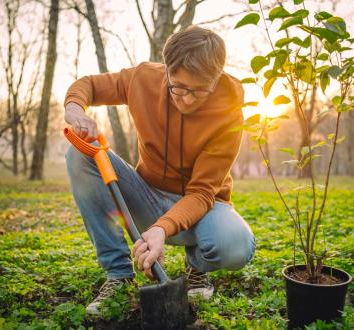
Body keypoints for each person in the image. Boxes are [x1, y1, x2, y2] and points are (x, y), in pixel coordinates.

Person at [63, 26, 256, 316]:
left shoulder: (230, 112)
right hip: (147, 195)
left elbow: (202, 192)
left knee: (235, 245)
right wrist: (75, 108)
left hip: (204, 206)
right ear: (166, 71)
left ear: (216, 78)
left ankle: (197, 268)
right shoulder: (143, 79)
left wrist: (161, 229)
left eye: (199, 90)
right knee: (79, 151)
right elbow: (89, 84)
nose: (187, 99)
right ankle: (118, 275)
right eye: (178, 86)